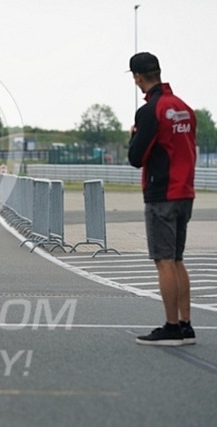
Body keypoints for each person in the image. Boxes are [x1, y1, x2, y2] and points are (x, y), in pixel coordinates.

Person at [127, 52, 197, 346]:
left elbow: (136, 157)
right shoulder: (184, 107)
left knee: (164, 260)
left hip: (162, 193)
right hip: (185, 191)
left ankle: (171, 327)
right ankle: (186, 325)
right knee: (177, 259)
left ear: (137, 77)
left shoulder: (151, 110)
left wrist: (133, 136)